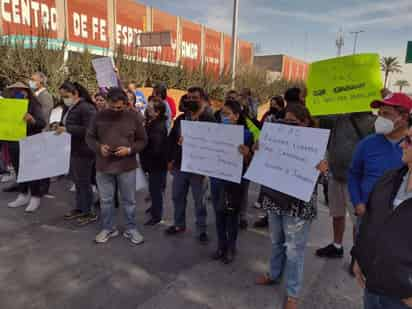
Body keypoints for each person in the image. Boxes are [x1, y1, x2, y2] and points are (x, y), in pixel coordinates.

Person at [255, 104, 328, 309]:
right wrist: (259, 149)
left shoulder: (317, 143)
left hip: (298, 205)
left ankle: (293, 293)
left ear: (306, 122)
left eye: (294, 122)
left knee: (294, 250)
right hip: (274, 198)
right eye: (285, 121)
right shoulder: (276, 136)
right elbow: (264, 162)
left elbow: (326, 179)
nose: (288, 126)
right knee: (277, 241)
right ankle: (274, 274)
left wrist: (323, 170)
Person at [352, 125, 412, 309]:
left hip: (403, 298)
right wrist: (359, 258)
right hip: (372, 286)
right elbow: (368, 222)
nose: (402, 145)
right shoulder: (389, 179)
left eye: (409, 140)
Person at [86, 88, 147, 244]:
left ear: (126, 104)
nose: (115, 110)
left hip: (126, 167)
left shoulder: (133, 117)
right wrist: (99, 147)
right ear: (107, 102)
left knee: (129, 201)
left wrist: (129, 150)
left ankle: (131, 229)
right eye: (112, 107)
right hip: (103, 166)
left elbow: (143, 140)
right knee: (106, 201)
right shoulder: (98, 116)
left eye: (119, 108)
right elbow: (89, 137)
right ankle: (108, 228)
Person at [316, 111, 375, 260]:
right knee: (337, 214)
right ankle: (337, 246)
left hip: (356, 180)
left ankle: (357, 255)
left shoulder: (374, 122)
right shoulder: (338, 118)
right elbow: (318, 116)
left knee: (358, 221)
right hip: (336, 175)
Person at [349, 93, 411, 219]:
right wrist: (358, 203)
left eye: (386, 114)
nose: (380, 119)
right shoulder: (367, 144)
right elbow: (354, 174)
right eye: (379, 114)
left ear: (404, 117)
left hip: (400, 219)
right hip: (366, 216)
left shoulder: (409, 148)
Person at [166, 86, 215, 243]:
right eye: (189, 97)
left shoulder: (210, 119)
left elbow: (215, 143)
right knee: (177, 197)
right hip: (180, 166)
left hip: (199, 169)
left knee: (199, 201)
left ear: (203, 99)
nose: (191, 100)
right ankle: (179, 224)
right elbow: (171, 140)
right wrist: (171, 160)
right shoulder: (181, 119)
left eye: (195, 97)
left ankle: (201, 230)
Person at [210, 99, 253, 264]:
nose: (224, 117)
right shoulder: (214, 132)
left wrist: (247, 153)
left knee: (232, 217)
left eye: (227, 114)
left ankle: (231, 248)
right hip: (216, 180)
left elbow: (250, 162)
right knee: (218, 215)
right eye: (222, 114)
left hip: (234, 183)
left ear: (236, 116)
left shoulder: (246, 135)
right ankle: (221, 246)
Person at [55, 81, 97, 225]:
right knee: (78, 181)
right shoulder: (71, 107)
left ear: (75, 94)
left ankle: (89, 212)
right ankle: (80, 208)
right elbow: (67, 124)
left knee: (84, 182)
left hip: (85, 151)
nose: (64, 99)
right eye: (62, 96)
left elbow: (90, 130)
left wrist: (67, 129)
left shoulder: (86, 108)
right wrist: (59, 126)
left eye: (66, 95)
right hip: (73, 149)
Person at [6, 82, 47, 212]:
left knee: (31, 170)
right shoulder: (8, 105)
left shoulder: (34, 105)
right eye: (14, 90)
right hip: (14, 142)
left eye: (20, 90)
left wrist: (32, 120)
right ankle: (23, 194)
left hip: (30, 142)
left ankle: (35, 196)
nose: (17, 93)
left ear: (27, 91)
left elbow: (41, 123)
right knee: (19, 169)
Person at [140, 97, 169, 226]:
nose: (147, 109)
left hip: (156, 164)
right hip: (154, 163)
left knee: (156, 190)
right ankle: (154, 209)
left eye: (150, 108)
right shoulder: (153, 122)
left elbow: (156, 148)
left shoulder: (158, 127)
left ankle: (156, 216)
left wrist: (144, 149)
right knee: (154, 190)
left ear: (157, 112)